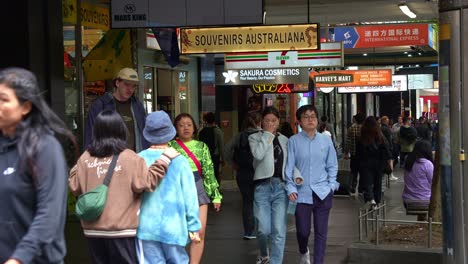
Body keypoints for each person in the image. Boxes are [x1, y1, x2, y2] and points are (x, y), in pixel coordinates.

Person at [69, 110, 176, 264]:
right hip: (121, 231)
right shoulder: (129, 157)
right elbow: (147, 182)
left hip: (92, 231)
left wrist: (77, 165)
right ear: (121, 130)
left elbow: (74, 186)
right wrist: (165, 159)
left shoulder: (86, 158)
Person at [0, 68, 76, 263]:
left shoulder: (44, 148)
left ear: (25, 107)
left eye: (3, 99)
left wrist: (19, 259)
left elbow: (49, 215)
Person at [136, 111, 201, 264]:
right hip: (174, 228)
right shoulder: (180, 161)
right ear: (171, 132)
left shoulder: (138, 159)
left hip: (146, 228)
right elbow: (190, 199)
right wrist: (193, 227)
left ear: (147, 134)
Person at [286, 105, 339, 264]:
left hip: (323, 192)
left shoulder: (325, 140)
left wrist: (331, 185)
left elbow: (332, 164)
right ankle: (303, 251)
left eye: (313, 116)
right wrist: (290, 187)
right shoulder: (293, 141)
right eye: (306, 116)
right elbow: (289, 168)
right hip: (301, 194)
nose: (310, 119)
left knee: (321, 233)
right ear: (299, 121)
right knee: (302, 231)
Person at [169, 113, 222, 264]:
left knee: (199, 232)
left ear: (194, 128)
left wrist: (215, 195)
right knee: (177, 232)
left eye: (189, 124)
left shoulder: (201, 146)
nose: (185, 127)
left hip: (197, 187)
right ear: (175, 129)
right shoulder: (170, 146)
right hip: (176, 190)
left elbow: (209, 172)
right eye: (181, 125)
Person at [248, 107, 289, 264]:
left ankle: (275, 262)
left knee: (278, 230)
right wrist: (267, 135)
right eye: (267, 121)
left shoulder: (285, 140)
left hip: (280, 187)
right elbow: (258, 154)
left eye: (274, 120)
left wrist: (297, 177)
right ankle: (264, 253)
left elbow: (290, 163)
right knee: (263, 229)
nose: (271, 123)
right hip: (262, 186)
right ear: (261, 122)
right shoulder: (254, 138)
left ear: (279, 122)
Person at [84, 67, 149, 152]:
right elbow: (90, 136)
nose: (130, 89)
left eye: (134, 86)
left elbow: (145, 134)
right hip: (109, 160)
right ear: (117, 83)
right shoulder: (101, 105)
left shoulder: (137, 106)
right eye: (127, 84)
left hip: (134, 158)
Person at [224, 111, 262, 240]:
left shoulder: (239, 136)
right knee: (260, 201)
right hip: (259, 172)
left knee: (247, 202)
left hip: (243, 172)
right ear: (259, 122)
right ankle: (262, 229)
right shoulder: (261, 135)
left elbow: (226, 150)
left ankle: (249, 231)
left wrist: (233, 163)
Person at [357, 116, 392, 210]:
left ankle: (370, 199)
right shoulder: (380, 135)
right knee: (378, 182)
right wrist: (388, 161)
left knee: (367, 182)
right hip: (378, 163)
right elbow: (386, 149)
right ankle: (377, 200)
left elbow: (359, 152)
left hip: (366, 163)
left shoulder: (362, 136)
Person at [402, 140, 434, 221]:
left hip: (408, 201)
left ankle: (421, 224)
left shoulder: (408, 160)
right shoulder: (428, 164)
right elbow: (433, 183)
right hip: (425, 202)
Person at [198, 112, 224, 185]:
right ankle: (216, 189)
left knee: (206, 174)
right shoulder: (218, 131)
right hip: (215, 156)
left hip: (204, 157)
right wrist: (223, 159)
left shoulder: (201, 131)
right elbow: (221, 146)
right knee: (216, 173)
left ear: (205, 120)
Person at [344, 112, 365, 194]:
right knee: (363, 172)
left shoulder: (351, 128)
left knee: (354, 171)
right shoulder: (365, 128)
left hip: (354, 153)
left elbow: (348, 142)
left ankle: (353, 186)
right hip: (363, 154)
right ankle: (361, 188)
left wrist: (346, 153)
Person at [380, 116, 396, 180]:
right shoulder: (386, 129)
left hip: (383, 147)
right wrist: (391, 147)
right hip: (388, 147)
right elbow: (389, 139)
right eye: (387, 120)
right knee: (390, 160)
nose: (388, 121)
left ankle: (388, 175)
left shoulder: (381, 128)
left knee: (387, 161)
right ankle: (391, 175)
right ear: (384, 121)